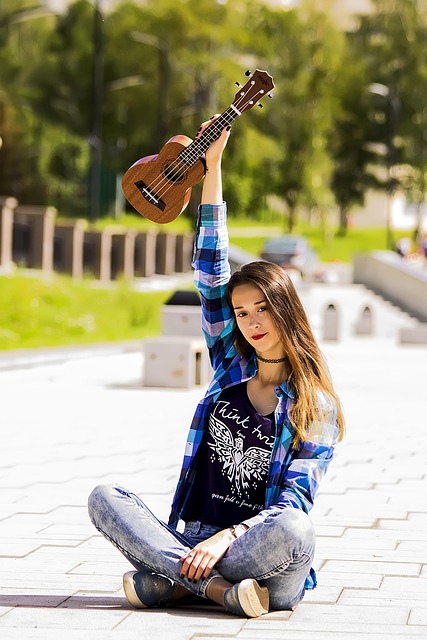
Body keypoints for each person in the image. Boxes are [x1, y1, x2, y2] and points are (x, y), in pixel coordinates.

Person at [88, 117, 345, 618]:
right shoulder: (231, 366)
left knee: (297, 530)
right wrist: (213, 166)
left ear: (285, 309)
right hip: (198, 539)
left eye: (262, 309)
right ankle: (218, 592)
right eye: (242, 312)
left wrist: (230, 538)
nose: (251, 322)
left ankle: (179, 581)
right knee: (105, 498)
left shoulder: (317, 404)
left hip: (261, 555)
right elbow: (211, 271)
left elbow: (293, 505)